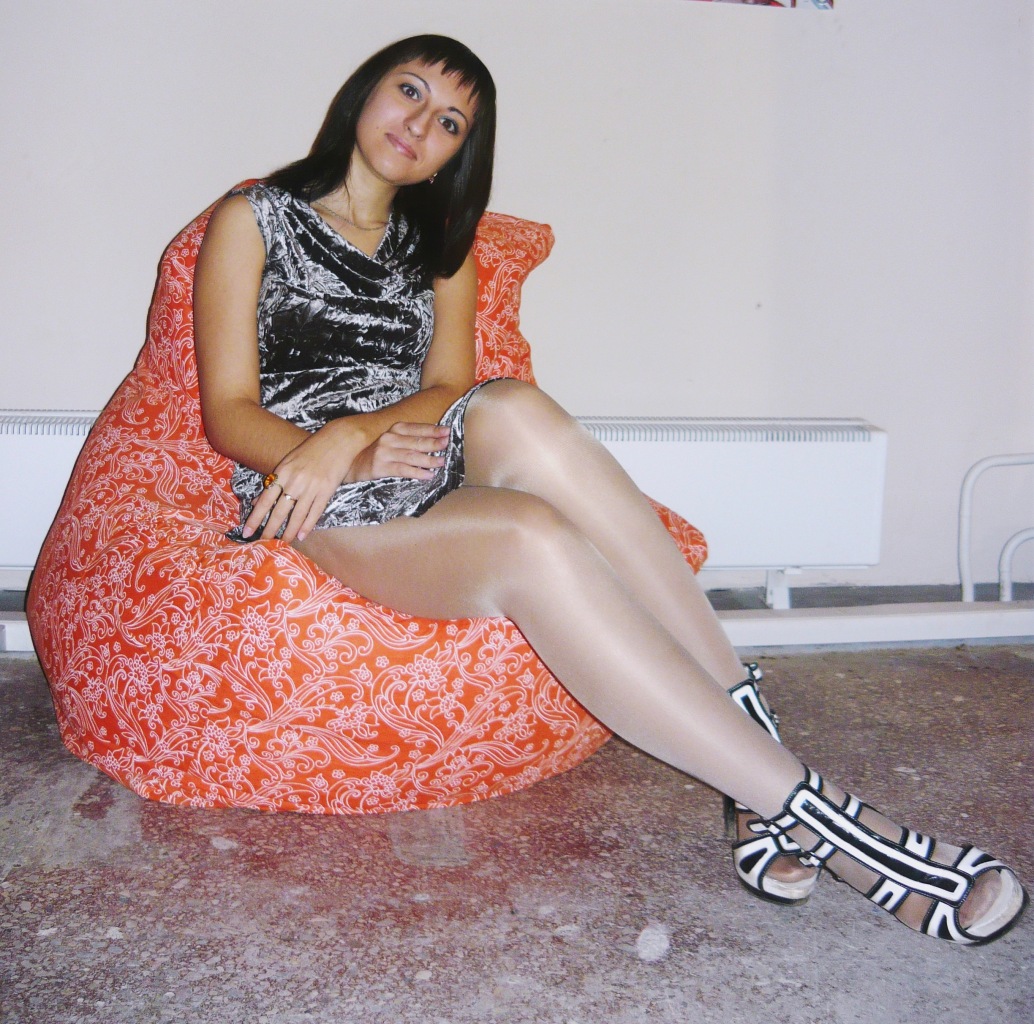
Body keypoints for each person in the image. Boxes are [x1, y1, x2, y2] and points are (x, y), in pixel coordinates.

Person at [192, 34, 1026, 946]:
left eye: (450, 123)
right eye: (411, 91)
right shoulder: (253, 217)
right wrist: (333, 450)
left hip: (406, 448)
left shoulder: (441, 242)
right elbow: (228, 413)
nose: (420, 125)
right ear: (364, 92)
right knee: (532, 537)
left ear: (454, 155)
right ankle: (847, 836)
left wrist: (367, 432)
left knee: (512, 404)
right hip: (311, 487)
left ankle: (763, 787)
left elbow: (450, 385)